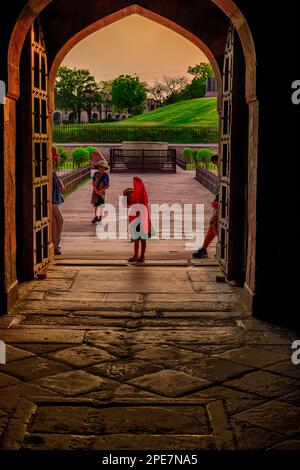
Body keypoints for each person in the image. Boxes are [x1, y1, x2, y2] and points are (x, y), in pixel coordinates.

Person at [193, 154, 219, 259]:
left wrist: (221, 203)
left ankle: (224, 248)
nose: (217, 167)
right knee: (213, 225)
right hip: (219, 203)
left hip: (223, 204)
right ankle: (204, 248)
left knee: (214, 224)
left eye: (217, 164)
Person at [123, 177, 154, 264]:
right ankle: (136, 255)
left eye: (131, 194)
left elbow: (142, 193)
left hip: (142, 220)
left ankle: (142, 256)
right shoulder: (130, 201)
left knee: (143, 239)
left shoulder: (141, 198)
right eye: (128, 195)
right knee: (136, 239)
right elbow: (126, 205)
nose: (130, 195)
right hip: (134, 221)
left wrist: (138, 184)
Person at [52, 147, 65, 255]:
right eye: (54, 154)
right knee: (59, 221)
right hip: (51, 200)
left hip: (54, 198)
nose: (56, 156)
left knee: (56, 222)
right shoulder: (46, 164)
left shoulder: (50, 165)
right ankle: (55, 246)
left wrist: (60, 182)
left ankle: (55, 245)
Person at [91, 152, 110, 224]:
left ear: (104, 168)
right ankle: (96, 217)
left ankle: (100, 218)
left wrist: (101, 190)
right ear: (98, 167)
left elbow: (107, 185)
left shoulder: (106, 175)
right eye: (100, 167)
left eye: (102, 167)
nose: (101, 168)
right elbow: (93, 182)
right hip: (95, 192)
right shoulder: (95, 174)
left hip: (102, 192)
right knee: (96, 205)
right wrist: (95, 189)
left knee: (101, 205)